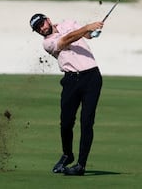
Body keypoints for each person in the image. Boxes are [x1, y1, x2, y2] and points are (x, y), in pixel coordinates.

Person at [29, 13, 104, 177]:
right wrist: (86, 27)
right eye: (38, 28)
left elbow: (87, 35)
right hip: (71, 81)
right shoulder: (47, 43)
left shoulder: (68, 23)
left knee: (87, 122)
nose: (42, 28)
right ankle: (67, 154)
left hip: (92, 77)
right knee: (66, 123)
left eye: (42, 24)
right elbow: (65, 41)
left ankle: (81, 165)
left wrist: (93, 31)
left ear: (48, 20)